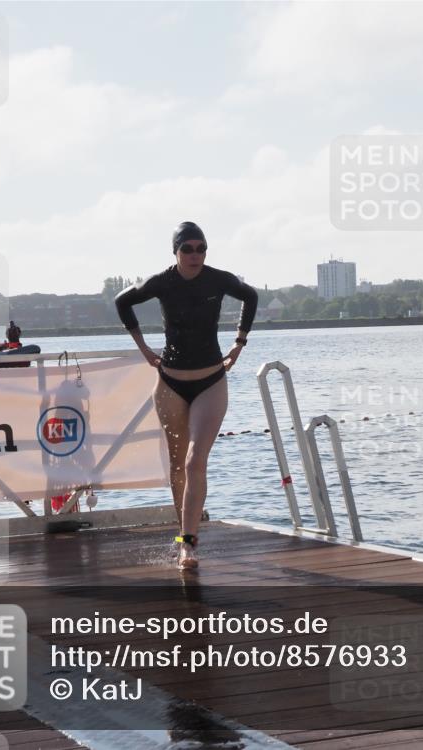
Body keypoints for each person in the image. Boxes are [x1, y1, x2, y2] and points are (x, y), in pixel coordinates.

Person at [115, 221, 257, 570]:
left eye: (201, 248)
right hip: (170, 385)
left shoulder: (218, 279)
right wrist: (142, 347)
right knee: (178, 464)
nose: (195, 255)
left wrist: (239, 343)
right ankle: (184, 536)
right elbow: (122, 301)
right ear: (175, 252)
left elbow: (251, 296)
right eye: (188, 249)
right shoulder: (161, 281)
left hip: (210, 381)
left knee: (195, 461)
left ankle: (190, 544)